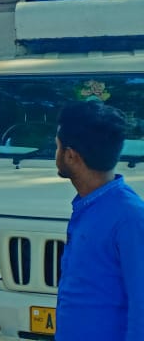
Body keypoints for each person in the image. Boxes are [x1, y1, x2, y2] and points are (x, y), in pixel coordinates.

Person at [55, 101, 144, 340]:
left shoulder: (130, 217)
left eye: (57, 146)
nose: (56, 152)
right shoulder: (89, 205)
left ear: (71, 156)